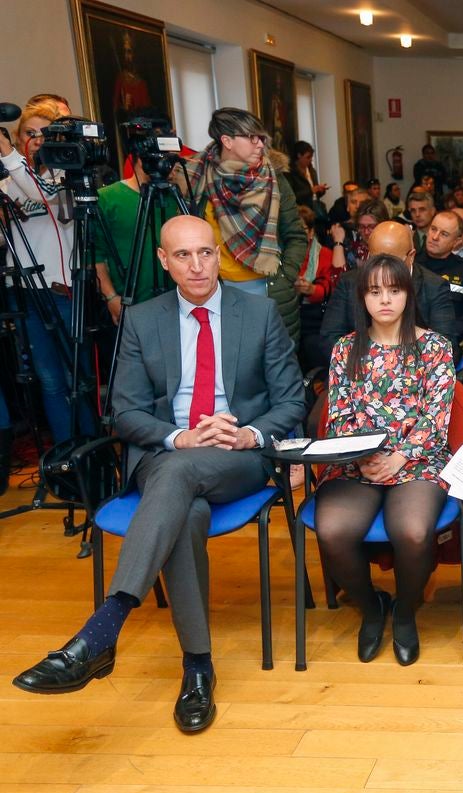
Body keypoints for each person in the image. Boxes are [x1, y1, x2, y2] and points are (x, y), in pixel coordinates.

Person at [11, 216, 303, 732]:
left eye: (206, 253)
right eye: (184, 255)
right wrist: (179, 437)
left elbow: (291, 401)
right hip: (169, 456)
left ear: (217, 255)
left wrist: (249, 435)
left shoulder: (257, 313)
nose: (198, 265)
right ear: (164, 262)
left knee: (177, 479)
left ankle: (101, 633)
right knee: (184, 505)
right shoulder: (144, 320)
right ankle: (197, 669)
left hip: (238, 458)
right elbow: (124, 412)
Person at [316, 253, 455, 666]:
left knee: (412, 532)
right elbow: (338, 415)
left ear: (408, 294)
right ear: (362, 298)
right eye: (375, 292)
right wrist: (362, 458)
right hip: (357, 462)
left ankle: (407, 612)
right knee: (332, 530)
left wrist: (400, 456)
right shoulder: (345, 349)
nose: (385, 300)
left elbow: (437, 417)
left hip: (419, 458)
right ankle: (372, 607)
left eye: (394, 290)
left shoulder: (434, 347)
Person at [0, 97, 99, 444]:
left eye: (44, 133)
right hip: (25, 289)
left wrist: (8, 155)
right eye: (30, 132)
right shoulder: (9, 180)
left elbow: (43, 196)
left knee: (77, 376)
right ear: (19, 134)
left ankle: (90, 452)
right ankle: (64, 457)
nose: (37, 139)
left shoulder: (65, 175)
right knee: (50, 380)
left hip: (61, 289)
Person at [183, 108, 306, 342]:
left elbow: (296, 236)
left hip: (269, 290)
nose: (260, 144)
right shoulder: (197, 179)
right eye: (252, 138)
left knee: (276, 368)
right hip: (216, 291)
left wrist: (284, 276)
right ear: (227, 141)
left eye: (261, 138)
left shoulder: (274, 179)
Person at [319, 221, 460, 363]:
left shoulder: (433, 286)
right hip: (356, 370)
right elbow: (329, 338)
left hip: (414, 375)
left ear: (410, 257)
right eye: (376, 260)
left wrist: (394, 369)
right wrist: (372, 366)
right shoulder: (350, 282)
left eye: (392, 262)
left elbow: (446, 346)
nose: (383, 268)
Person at [93, 140, 184, 323]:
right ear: (143, 161)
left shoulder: (172, 195)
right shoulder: (107, 198)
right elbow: (95, 255)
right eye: (165, 159)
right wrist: (111, 297)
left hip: (176, 301)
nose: (171, 166)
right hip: (131, 301)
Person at [416, 209, 463, 334]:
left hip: (448, 339)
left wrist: (452, 327)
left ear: (457, 241)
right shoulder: (412, 263)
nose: (435, 237)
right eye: (433, 229)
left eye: (444, 234)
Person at [293, 205, 345, 370]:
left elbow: (329, 288)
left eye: (301, 229)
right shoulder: (284, 256)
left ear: (311, 232)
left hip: (315, 319)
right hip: (290, 316)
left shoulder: (324, 254)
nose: (296, 234)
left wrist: (310, 290)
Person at [285, 140, 328, 218]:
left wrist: (321, 190)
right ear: (299, 155)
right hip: (301, 214)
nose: (311, 160)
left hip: (315, 211)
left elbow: (316, 195)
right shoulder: (290, 173)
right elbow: (291, 197)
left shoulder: (312, 171)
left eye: (311, 157)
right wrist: (311, 191)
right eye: (308, 157)